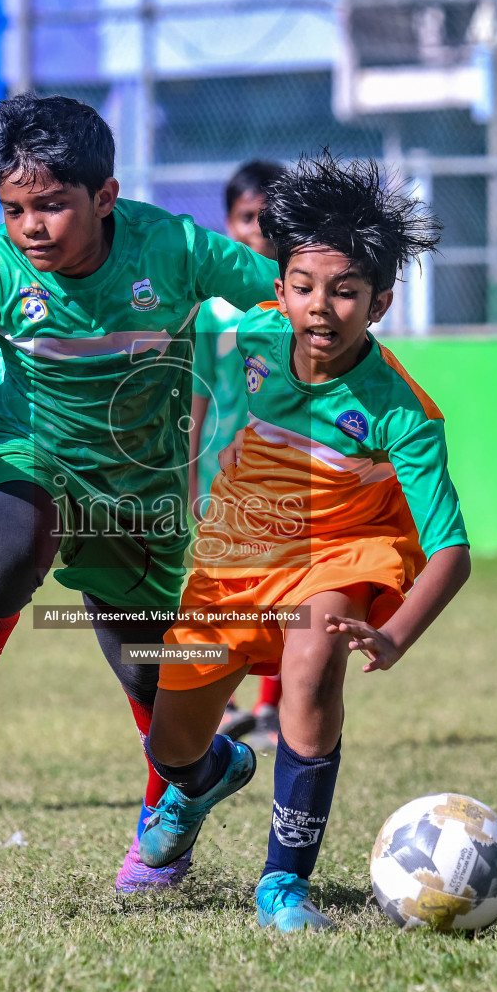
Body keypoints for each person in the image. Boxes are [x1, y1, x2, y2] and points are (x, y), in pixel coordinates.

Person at [0, 93, 278, 891]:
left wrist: (301, 356)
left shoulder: (175, 249)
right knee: (5, 544)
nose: (32, 227)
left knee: (152, 680)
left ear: (106, 197)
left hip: (137, 488)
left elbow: (283, 295)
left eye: (51, 205)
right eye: (15, 209)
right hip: (25, 451)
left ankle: (174, 810)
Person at [136, 154, 472, 931]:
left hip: (344, 550)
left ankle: (283, 885)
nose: (322, 308)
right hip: (238, 555)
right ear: (280, 287)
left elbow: (450, 548)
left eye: (346, 291)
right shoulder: (252, 339)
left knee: (314, 662)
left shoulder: (403, 411)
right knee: (170, 745)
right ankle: (210, 773)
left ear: (380, 302)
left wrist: (394, 634)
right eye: (304, 286)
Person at [188, 160, 288, 751]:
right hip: (213, 476)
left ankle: (273, 707)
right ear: (229, 223)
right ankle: (219, 704)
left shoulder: (302, 301)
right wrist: (185, 470)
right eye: (248, 217)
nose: (259, 228)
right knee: (209, 589)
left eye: (269, 217)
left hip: (277, 473)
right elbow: (198, 391)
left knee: (279, 588)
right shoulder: (213, 310)